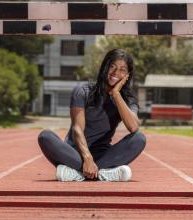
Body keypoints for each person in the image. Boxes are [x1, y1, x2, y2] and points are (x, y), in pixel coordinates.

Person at [38, 49, 146, 182]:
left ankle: (78, 174)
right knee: (45, 136)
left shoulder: (127, 100)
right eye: (112, 66)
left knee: (139, 139)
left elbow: (133, 127)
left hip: (103, 156)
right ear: (104, 68)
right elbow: (77, 129)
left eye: (122, 69)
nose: (116, 73)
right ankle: (102, 174)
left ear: (127, 75)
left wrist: (116, 94)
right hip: (76, 154)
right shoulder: (82, 92)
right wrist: (87, 158)